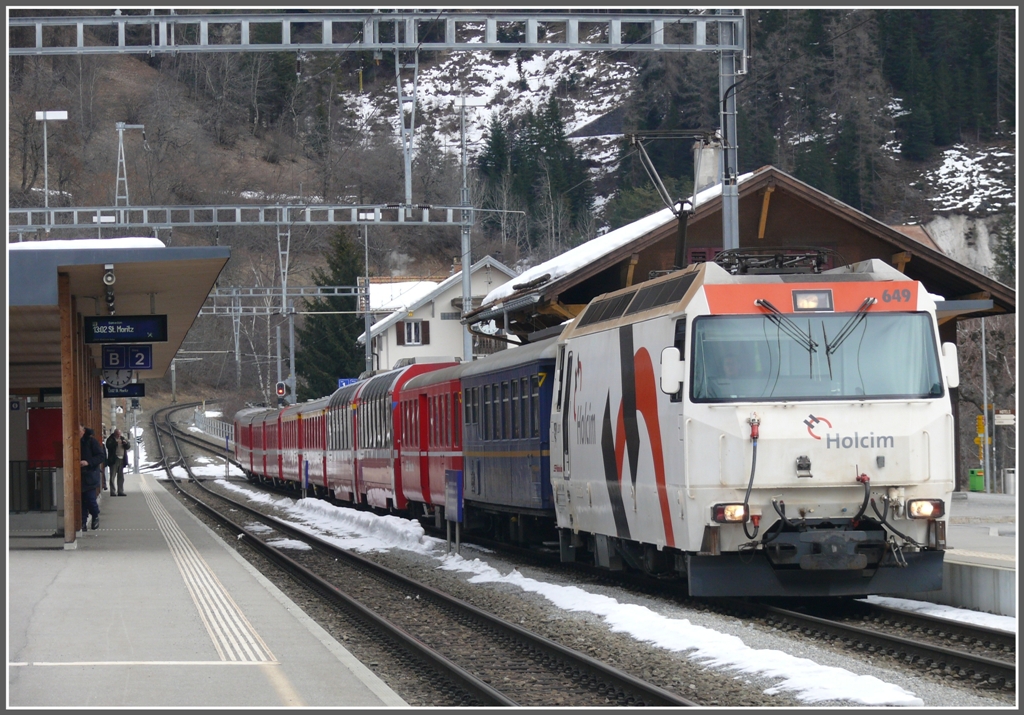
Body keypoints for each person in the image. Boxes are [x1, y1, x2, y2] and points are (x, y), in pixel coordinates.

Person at [79, 424, 105, 531]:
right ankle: (82, 524)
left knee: (90, 499)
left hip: (90, 475)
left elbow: (101, 456)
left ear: (83, 430)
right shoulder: (72, 441)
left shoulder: (91, 441)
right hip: (77, 477)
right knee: (81, 502)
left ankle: (95, 515)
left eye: (78, 430)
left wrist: (88, 462)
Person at [106, 428, 130, 496]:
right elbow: (108, 446)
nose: (118, 435)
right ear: (115, 433)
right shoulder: (110, 439)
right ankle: (113, 492)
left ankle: (120, 491)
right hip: (114, 459)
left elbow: (128, 446)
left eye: (119, 434)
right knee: (112, 476)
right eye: (117, 434)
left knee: (121, 477)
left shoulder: (122, 438)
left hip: (122, 459)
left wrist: (126, 444)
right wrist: (116, 443)